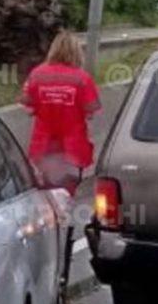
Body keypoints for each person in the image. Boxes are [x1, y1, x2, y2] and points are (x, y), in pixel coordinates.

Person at [20, 31, 101, 195]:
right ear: (77, 51)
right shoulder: (82, 78)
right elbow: (91, 112)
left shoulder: (37, 74)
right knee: (68, 194)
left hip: (43, 148)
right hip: (72, 149)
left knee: (44, 195)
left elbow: (27, 108)